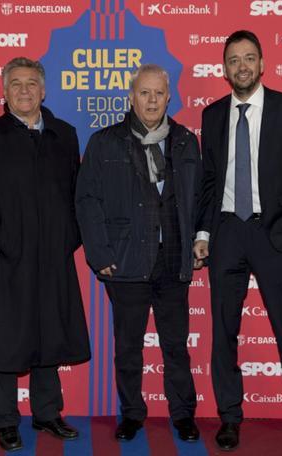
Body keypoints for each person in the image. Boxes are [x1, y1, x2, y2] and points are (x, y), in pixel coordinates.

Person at [194, 30, 282, 451]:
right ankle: (229, 417)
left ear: (262, 64)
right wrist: (204, 233)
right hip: (227, 232)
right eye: (233, 60)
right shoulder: (212, 116)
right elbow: (209, 183)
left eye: (249, 58)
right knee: (224, 332)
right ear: (224, 68)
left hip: (273, 233)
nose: (242, 66)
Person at [0, 57, 91, 452]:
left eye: (31, 83)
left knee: (49, 332)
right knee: (6, 338)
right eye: (15, 83)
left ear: (44, 90)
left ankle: (48, 412)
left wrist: (67, 237)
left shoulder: (64, 135)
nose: (23, 90)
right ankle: (5, 419)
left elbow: (76, 195)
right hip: (7, 258)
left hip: (53, 255)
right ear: (4, 90)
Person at [76, 64, 203, 442]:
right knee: (128, 348)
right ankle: (132, 414)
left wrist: (201, 239)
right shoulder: (104, 142)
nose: (151, 100)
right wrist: (100, 255)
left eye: (158, 93)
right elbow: (86, 201)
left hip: (173, 259)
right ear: (131, 97)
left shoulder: (185, 141)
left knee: (176, 347)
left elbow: (199, 198)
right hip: (126, 261)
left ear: (169, 97)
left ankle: (183, 415)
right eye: (144, 93)